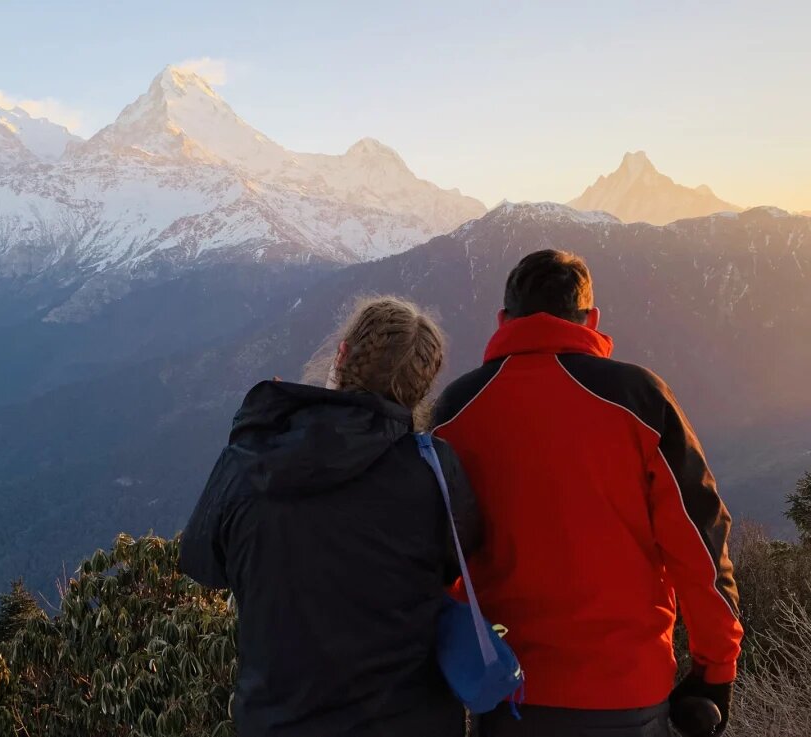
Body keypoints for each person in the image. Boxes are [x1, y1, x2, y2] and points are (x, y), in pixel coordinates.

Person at [433, 250, 743, 737]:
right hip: (627, 694)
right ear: (591, 319)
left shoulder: (455, 410)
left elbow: (436, 557)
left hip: (506, 693)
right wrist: (715, 670)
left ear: (502, 320)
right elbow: (698, 542)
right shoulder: (637, 398)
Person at [181, 296, 478, 737]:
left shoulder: (251, 460)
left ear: (341, 356)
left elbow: (202, 562)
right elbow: (463, 557)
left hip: (280, 720)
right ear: (423, 387)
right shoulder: (436, 472)